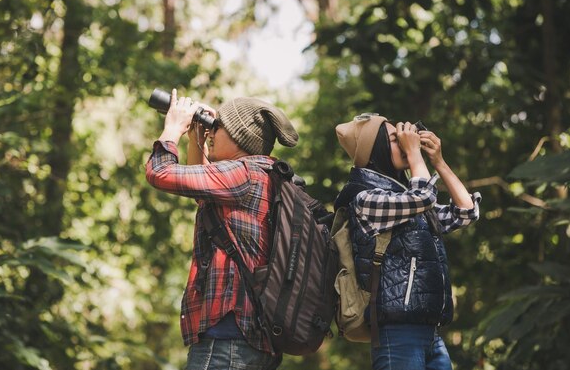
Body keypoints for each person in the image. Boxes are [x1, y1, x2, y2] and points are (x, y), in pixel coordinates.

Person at [145, 89, 298, 370]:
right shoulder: (263, 175)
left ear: (241, 137)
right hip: (252, 339)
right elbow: (205, 197)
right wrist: (197, 138)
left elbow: (159, 172)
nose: (212, 133)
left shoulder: (242, 173)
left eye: (219, 127)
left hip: (227, 341)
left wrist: (173, 128)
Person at [334, 113, 481, 370]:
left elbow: (466, 212)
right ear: (375, 149)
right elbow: (424, 196)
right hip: (398, 333)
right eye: (395, 139)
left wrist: (439, 161)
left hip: (430, 331)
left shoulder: (405, 199)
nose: (405, 142)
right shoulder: (364, 198)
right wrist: (415, 154)